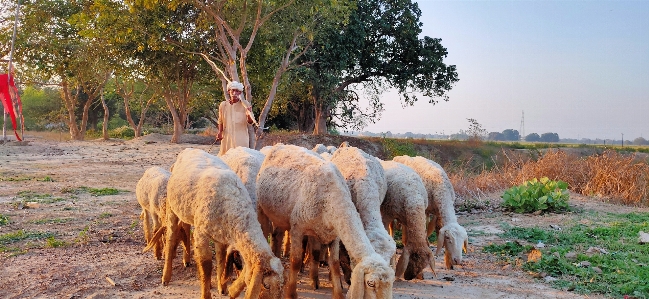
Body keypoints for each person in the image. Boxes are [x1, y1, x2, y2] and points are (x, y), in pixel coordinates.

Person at [217, 81, 254, 156]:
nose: (234, 93)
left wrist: (248, 114)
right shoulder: (223, 105)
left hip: (241, 138)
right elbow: (220, 121)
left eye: (237, 91)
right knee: (225, 157)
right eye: (232, 90)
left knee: (241, 158)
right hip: (227, 138)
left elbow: (250, 122)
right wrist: (220, 132)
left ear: (240, 93)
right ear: (228, 91)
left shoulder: (245, 104)